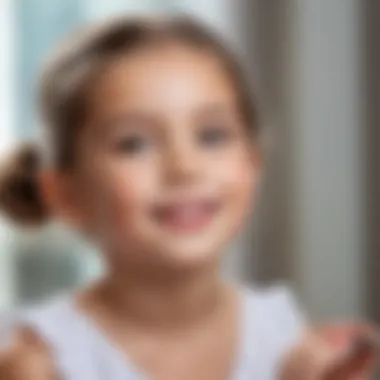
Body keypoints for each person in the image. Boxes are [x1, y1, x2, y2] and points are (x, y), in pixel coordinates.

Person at [0, 15, 377, 380]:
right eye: (134, 144)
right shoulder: (38, 362)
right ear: (65, 195)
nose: (184, 167)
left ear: (252, 165)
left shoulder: (285, 340)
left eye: (212, 136)